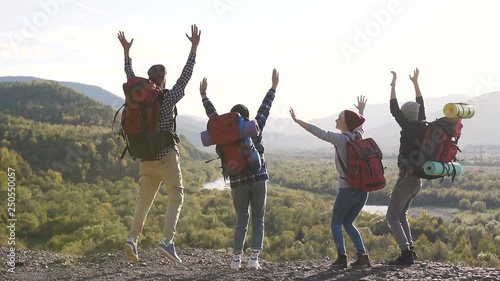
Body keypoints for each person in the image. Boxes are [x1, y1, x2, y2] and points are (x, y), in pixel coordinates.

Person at [117, 25, 201, 264]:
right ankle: (167, 241)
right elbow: (186, 76)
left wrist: (126, 52)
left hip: (144, 159)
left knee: (144, 201)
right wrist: (193, 47)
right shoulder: (167, 97)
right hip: (166, 157)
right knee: (176, 197)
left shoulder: (139, 96)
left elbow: (129, 76)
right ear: (164, 79)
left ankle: (132, 239)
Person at [199, 69, 279, 270]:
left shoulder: (222, 132)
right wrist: (273, 87)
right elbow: (265, 109)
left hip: (236, 182)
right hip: (258, 177)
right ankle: (254, 260)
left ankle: (236, 259)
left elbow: (212, 114)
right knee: (258, 218)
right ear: (245, 118)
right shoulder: (253, 127)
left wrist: (203, 95)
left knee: (241, 219)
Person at [289, 96, 371, 268]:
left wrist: (298, 121)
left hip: (347, 189)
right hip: (363, 191)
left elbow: (319, 132)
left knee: (336, 223)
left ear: (346, 124)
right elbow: (360, 126)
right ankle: (363, 256)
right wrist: (361, 111)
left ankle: (342, 257)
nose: (336, 119)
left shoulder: (341, 140)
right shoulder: (357, 136)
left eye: (339, 118)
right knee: (348, 223)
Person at [386, 68, 427, 265]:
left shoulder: (408, 126)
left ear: (405, 115)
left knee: (392, 216)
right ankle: (410, 249)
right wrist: (415, 83)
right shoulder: (423, 125)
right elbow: (421, 104)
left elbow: (393, 107)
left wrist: (394, 84)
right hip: (418, 179)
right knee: (401, 214)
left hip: (406, 178)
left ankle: (406, 253)